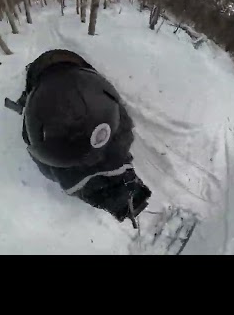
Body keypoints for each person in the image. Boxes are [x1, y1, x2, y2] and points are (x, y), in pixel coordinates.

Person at [8, 49, 151, 227]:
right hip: (59, 78)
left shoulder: (104, 107)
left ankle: (116, 189)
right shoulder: (97, 99)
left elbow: (121, 125)